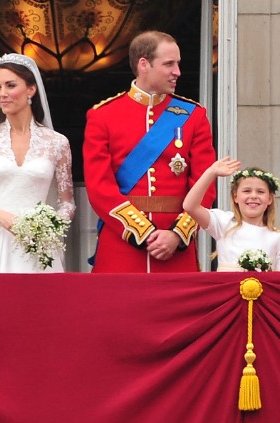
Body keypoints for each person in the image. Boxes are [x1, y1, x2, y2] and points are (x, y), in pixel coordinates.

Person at [83, 30, 217, 273]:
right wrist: (141, 232)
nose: (177, 71)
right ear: (144, 64)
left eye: (178, 63)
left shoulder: (194, 116)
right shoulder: (103, 116)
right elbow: (99, 187)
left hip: (175, 249)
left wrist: (178, 234)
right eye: (169, 64)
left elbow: (205, 185)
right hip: (122, 247)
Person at [0, 53, 76, 273]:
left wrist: (46, 225)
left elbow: (67, 204)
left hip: (38, 248)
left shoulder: (57, 143)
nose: (2, 94)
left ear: (31, 89)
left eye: (10, 85)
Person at [182, 157, 280, 271]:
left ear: (270, 199)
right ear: (235, 196)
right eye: (247, 191)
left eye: (260, 192)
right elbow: (190, 206)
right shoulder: (224, 223)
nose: (253, 196)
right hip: (227, 289)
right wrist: (211, 172)